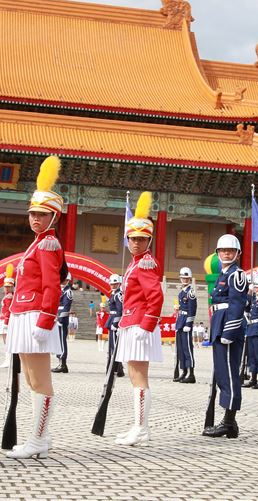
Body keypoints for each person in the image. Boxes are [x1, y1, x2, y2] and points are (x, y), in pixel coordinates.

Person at [5, 155, 66, 459]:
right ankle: (39, 434)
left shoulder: (48, 245)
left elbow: (51, 286)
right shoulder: (38, 243)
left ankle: (39, 437)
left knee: (39, 378)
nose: (36, 219)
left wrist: (45, 319)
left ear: (54, 217)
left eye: (42, 214)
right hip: (24, 314)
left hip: (35, 315)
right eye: (32, 214)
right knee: (30, 377)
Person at [112, 191, 164, 446]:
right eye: (132, 239)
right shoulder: (136, 262)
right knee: (134, 375)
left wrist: (147, 325)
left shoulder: (145, 264)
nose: (135, 243)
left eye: (141, 239)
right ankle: (137, 425)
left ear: (149, 240)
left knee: (139, 376)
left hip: (140, 324)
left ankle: (142, 428)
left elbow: (156, 296)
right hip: (133, 322)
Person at [202, 233, 248, 439]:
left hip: (229, 327)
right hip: (219, 325)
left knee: (229, 374)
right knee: (223, 373)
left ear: (238, 253)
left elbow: (237, 305)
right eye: (222, 250)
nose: (226, 253)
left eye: (230, 250)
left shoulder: (236, 275)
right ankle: (230, 422)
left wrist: (230, 330)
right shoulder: (223, 274)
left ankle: (229, 421)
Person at [174, 267, 197, 384]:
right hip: (180, 321)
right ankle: (184, 372)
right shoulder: (181, 293)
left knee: (187, 349)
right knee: (181, 349)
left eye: (187, 278)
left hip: (186, 322)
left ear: (190, 279)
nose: (184, 280)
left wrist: (189, 323)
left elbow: (192, 309)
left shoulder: (190, 293)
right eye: (183, 278)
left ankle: (191, 373)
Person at [52, 274, 73, 373]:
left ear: (67, 280)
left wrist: (60, 319)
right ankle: (61, 363)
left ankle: (63, 363)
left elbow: (66, 307)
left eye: (63, 279)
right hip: (58, 316)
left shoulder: (68, 292)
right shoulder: (61, 290)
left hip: (62, 318)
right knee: (58, 340)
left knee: (62, 340)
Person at [105, 274, 125, 377]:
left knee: (114, 347)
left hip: (114, 321)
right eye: (112, 284)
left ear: (119, 284)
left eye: (115, 284)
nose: (113, 286)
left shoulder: (118, 295)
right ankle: (116, 369)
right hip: (111, 319)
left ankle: (116, 369)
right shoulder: (113, 294)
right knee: (112, 348)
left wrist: (115, 323)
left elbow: (120, 310)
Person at [0, 264, 14, 369]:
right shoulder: (7, 296)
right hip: (3, 320)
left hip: (6, 320)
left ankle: (8, 360)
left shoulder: (9, 297)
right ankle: (7, 359)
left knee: (7, 341)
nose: (7, 288)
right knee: (5, 340)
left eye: (9, 286)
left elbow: (9, 310)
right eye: (6, 286)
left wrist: (6, 322)